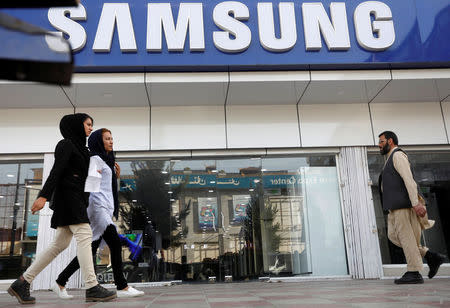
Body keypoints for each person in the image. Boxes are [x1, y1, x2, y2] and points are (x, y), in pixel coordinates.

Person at [8, 114, 116, 304]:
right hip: (68, 198)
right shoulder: (65, 144)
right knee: (84, 234)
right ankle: (92, 286)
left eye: (92, 125)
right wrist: (43, 196)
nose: (91, 128)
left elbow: (88, 181)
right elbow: (56, 171)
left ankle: (22, 282)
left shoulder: (83, 149)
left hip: (77, 200)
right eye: (88, 125)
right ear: (77, 125)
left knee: (60, 245)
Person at [53, 128, 144, 298]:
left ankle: (60, 281)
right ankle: (122, 286)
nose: (111, 141)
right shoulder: (95, 159)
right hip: (97, 209)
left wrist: (115, 178)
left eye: (112, 138)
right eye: (107, 139)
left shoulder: (106, 160)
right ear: (98, 141)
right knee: (115, 243)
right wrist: (96, 212)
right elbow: (92, 188)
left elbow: (105, 187)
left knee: (89, 249)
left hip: (104, 209)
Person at [378, 131, 446, 284]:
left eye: (381, 141)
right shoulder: (390, 158)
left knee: (406, 237)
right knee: (394, 236)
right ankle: (430, 256)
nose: (379, 145)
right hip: (394, 208)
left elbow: (409, 180)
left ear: (390, 141)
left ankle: (414, 272)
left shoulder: (397, 155)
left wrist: (415, 203)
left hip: (403, 206)